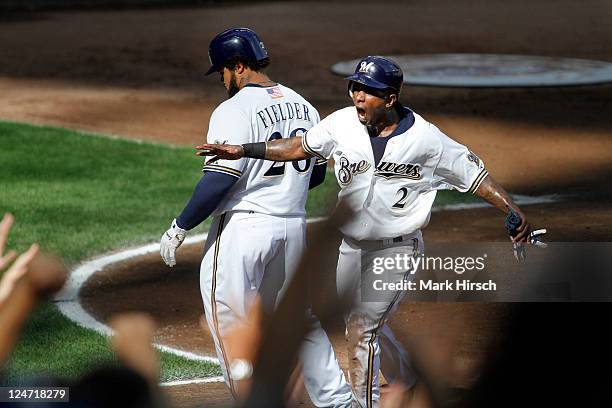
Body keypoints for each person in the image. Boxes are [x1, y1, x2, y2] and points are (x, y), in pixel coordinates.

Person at [196, 55, 546, 408]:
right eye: (355, 87)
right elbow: (299, 146)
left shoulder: (426, 140)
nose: (358, 96)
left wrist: (514, 213)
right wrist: (243, 149)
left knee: (362, 330)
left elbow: (476, 176)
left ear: (390, 99)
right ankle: (407, 377)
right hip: (348, 247)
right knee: (365, 323)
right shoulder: (342, 124)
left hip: (396, 250)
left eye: (368, 91)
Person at [159, 28, 352, 406]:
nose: (221, 80)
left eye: (222, 72)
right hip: (292, 228)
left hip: (244, 233)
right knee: (299, 320)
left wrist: (179, 226)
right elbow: (314, 174)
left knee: (230, 324)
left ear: (239, 65)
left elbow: (219, 180)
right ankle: (338, 400)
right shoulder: (304, 106)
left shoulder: (233, 109)